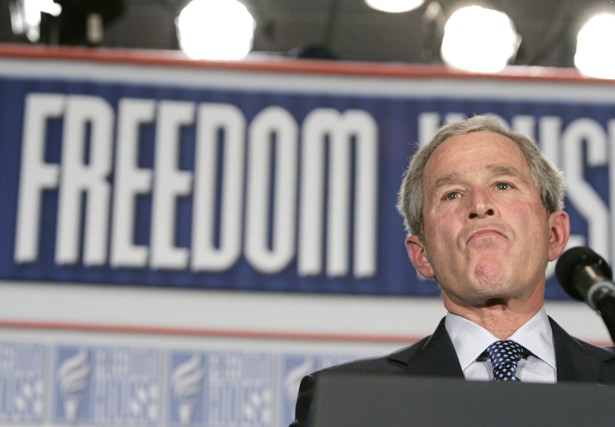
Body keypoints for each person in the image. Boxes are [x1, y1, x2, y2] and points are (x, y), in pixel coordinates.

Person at [289, 114, 615, 426]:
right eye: (452, 194)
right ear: (422, 255)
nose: (479, 205)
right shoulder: (350, 405)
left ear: (554, 234)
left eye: (502, 185)